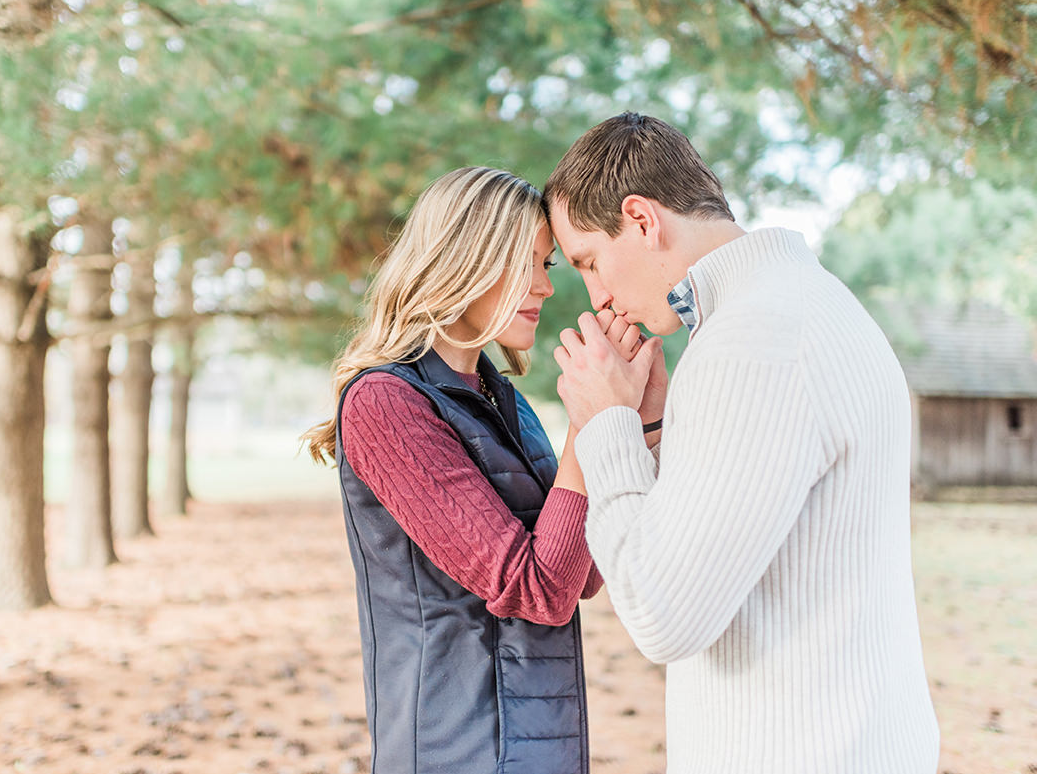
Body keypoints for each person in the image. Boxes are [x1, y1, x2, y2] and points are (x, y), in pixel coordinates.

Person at [545, 113, 940, 773]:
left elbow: (663, 615)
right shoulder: (806, 306)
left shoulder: (753, 345)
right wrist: (650, 427)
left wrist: (605, 424)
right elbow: (749, 544)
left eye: (588, 261)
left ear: (642, 220)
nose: (598, 296)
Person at [303, 166, 641, 774]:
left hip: (543, 738)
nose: (543, 287)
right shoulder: (386, 403)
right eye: (527, 263)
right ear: (466, 258)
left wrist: (632, 413)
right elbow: (533, 591)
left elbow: (577, 576)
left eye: (548, 266)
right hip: (458, 749)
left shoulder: (501, 400)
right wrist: (590, 423)